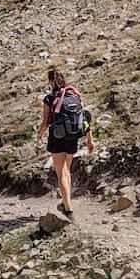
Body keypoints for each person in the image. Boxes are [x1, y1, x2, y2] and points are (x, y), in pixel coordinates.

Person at [36, 68, 95, 219]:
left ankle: (68, 207)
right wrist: (90, 139)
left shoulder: (49, 99)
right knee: (66, 170)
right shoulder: (74, 94)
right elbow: (84, 118)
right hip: (73, 137)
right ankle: (66, 202)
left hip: (57, 138)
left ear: (50, 81)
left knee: (60, 171)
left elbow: (46, 121)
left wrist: (39, 135)